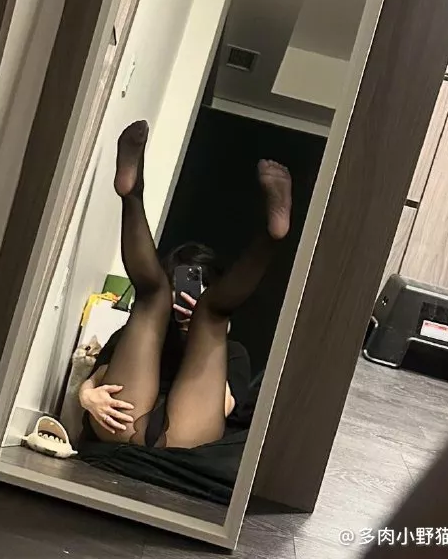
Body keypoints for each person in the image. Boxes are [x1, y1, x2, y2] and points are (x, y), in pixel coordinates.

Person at [78, 120, 292, 450]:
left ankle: (132, 196)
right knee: (177, 305)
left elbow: (223, 406)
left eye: (198, 289)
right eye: (179, 289)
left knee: (177, 305)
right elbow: (93, 382)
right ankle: (272, 236)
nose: (188, 297)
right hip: (130, 426)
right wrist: (87, 398)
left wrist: (201, 335)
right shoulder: (136, 334)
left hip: (165, 436)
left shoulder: (232, 352)